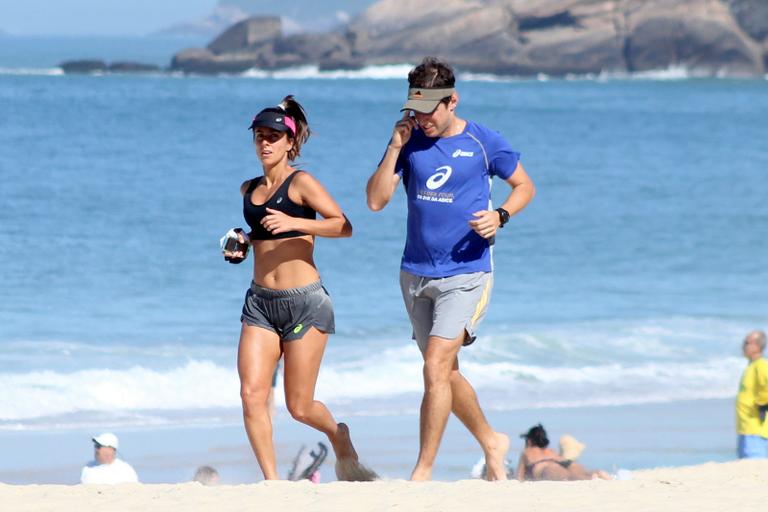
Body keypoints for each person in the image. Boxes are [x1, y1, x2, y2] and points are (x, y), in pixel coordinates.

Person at [366, 56, 535, 481]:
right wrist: (394, 146)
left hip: (467, 271)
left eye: (429, 111)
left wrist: (501, 216)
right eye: (415, 111)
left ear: (452, 101)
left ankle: (422, 471)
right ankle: (492, 441)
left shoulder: (482, 141)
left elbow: (525, 186)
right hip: (414, 272)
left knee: (436, 365)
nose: (422, 120)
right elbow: (375, 200)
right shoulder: (409, 143)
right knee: (444, 370)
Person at [222, 95, 373, 481]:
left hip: (305, 303)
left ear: (290, 142)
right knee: (251, 395)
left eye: (273, 136)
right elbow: (261, 237)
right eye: (259, 136)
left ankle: (338, 435)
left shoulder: (301, 182)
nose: (265, 143)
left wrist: (297, 224)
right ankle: (272, 483)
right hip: (259, 303)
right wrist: (242, 244)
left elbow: (343, 225)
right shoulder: (248, 189)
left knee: (300, 406)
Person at [515, 424, 610, 481]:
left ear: (529, 441)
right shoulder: (551, 451)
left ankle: (592, 477)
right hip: (564, 462)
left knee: (569, 478)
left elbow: (519, 477)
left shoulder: (527, 452)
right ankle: (598, 473)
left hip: (546, 467)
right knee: (586, 473)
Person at [736, 330, 768, 458]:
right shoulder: (751, 366)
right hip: (745, 427)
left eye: (746, 343)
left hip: (756, 429)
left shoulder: (761, 366)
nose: (743, 346)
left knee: (755, 466)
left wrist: (762, 403)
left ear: (757, 346)